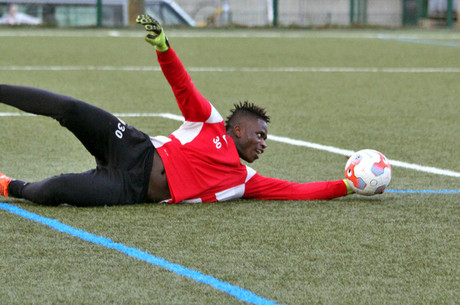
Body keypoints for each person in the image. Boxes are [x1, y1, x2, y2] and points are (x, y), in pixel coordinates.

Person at [0, 15, 353, 206]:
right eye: (260, 135)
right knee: (70, 108)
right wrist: (164, 49)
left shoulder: (245, 182)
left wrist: (347, 186)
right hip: (133, 147)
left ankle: (9, 186)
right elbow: (183, 86)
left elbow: (297, 190)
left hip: (130, 189)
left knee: (54, 191)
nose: (263, 144)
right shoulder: (209, 121)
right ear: (239, 129)